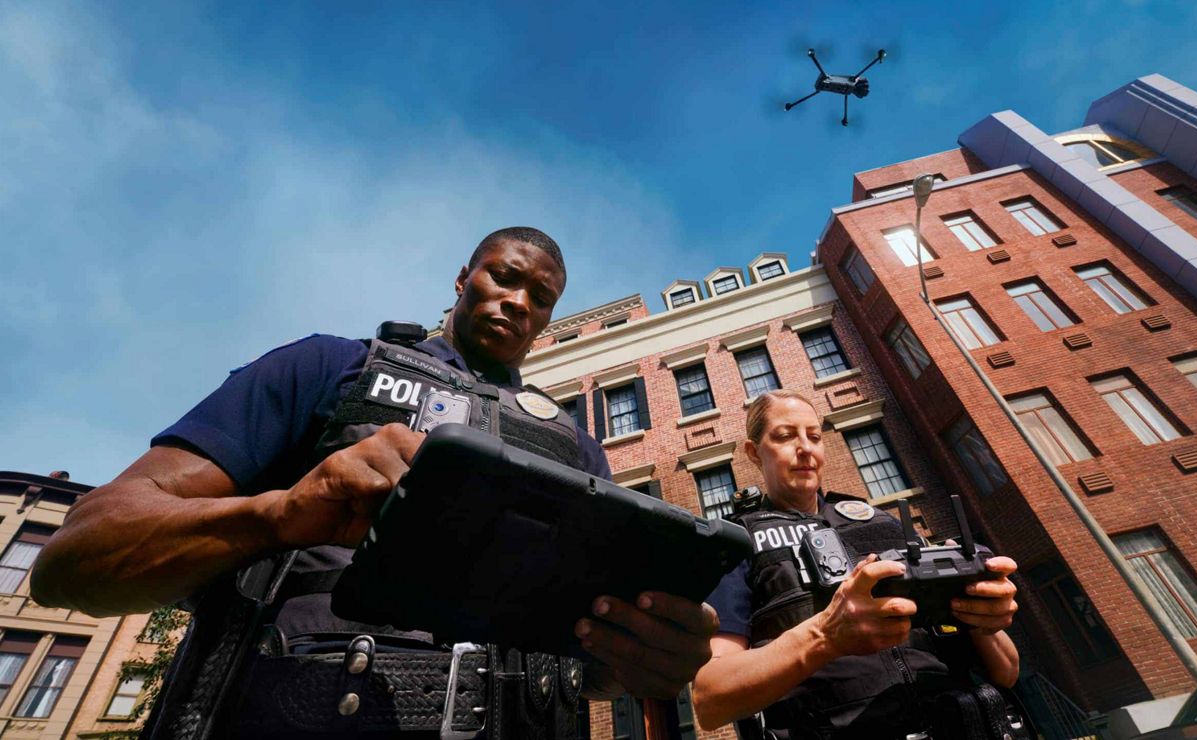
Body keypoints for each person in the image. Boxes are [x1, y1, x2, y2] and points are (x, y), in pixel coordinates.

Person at [32, 227, 718, 737]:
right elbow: (72, 563)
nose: (517, 302)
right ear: (461, 278)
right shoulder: (329, 367)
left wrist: (641, 651)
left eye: (540, 298)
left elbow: (585, 667)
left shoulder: (578, 451)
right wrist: (283, 513)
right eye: (503, 278)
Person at [692, 390, 1020, 739]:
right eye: (785, 436)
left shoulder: (884, 525)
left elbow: (1007, 672)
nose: (805, 448)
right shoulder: (740, 543)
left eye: (814, 436)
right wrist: (825, 636)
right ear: (754, 452)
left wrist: (981, 615)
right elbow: (712, 700)